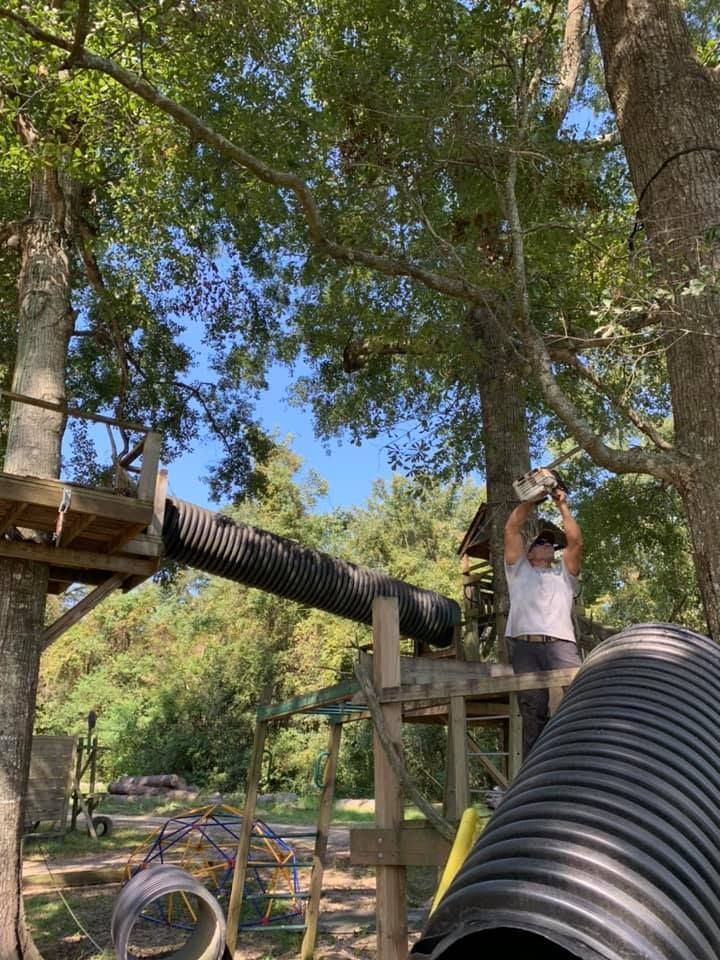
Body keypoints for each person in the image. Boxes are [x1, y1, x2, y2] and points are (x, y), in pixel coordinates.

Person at [503, 483, 582, 759]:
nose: (548, 545)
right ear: (528, 552)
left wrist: (562, 504)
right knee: (532, 711)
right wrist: (531, 500)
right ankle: (534, 773)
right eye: (541, 542)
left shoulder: (564, 575)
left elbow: (575, 542)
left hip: (562, 645)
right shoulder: (518, 570)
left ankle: (582, 761)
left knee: (579, 699)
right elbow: (511, 530)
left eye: (551, 544)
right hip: (526, 647)